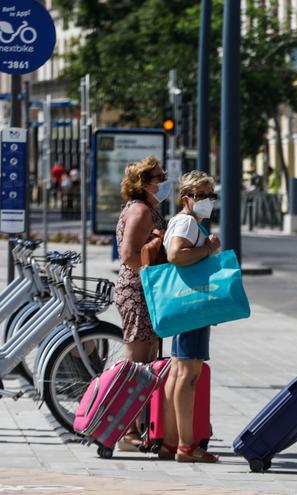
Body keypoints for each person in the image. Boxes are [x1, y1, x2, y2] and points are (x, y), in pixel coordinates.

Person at [158, 171, 221, 463]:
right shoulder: (186, 222)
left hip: (185, 304)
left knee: (177, 372)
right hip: (192, 303)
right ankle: (186, 445)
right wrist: (208, 248)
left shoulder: (182, 222)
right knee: (188, 375)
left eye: (211, 195)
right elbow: (176, 255)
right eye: (203, 195)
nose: (209, 200)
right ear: (187, 199)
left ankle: (171, 442)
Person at [114, 156, 169, 450]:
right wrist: (156, 252)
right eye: (159, 178)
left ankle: (134, 428)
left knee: (146, 362)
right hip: (138, 290)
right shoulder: (140, 210)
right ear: (144, 184)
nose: (164, 182)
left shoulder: (145, 208)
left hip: (145, 290)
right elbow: (129, 255)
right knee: (137, 363)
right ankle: (126, 432)